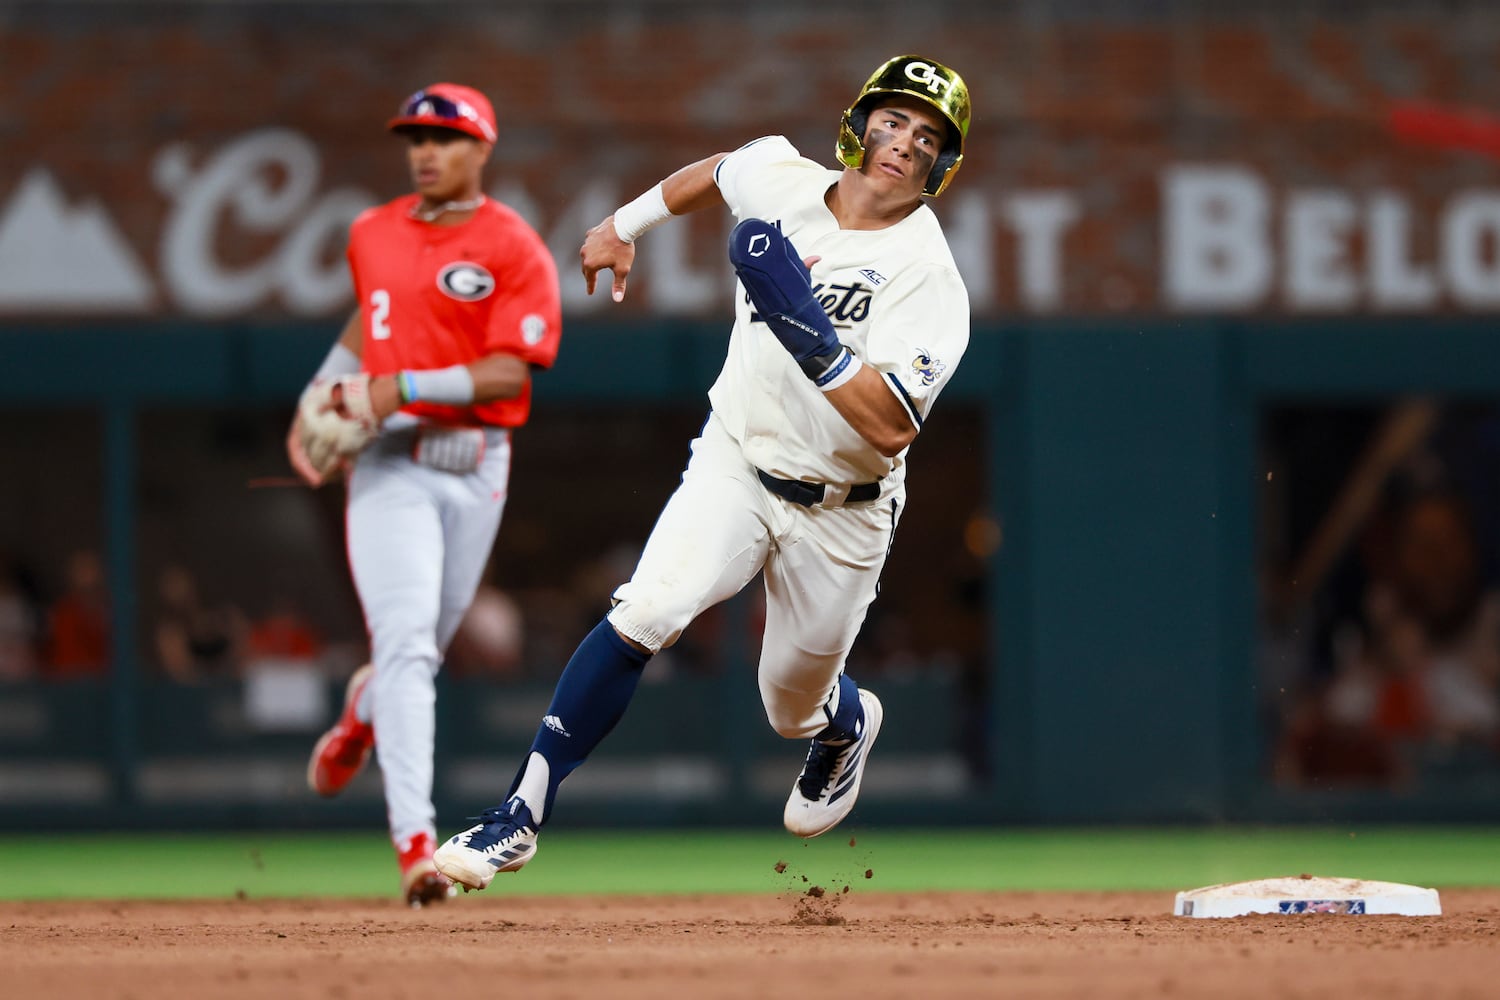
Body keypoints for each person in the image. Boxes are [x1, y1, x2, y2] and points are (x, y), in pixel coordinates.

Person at [434, 54, 972, 891]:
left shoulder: (928, 274)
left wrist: (812, 335)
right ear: (860, 124)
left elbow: (892, 426)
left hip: (845, 506)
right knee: (648, 609)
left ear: (941, 164)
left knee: (788, 706)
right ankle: (517, 817)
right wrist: (624, 225)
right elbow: (718, 171)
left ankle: (843, 721)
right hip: (739, 462)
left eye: (928, 136)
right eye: (894, 120)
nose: (905, 141)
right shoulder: (783, 181)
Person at [291, 82, 562, 907]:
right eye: (415, 138)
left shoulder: (515, 247)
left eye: (443, 138)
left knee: (422, 653)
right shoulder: (371, 231)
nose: (426, 151)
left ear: (482, 148)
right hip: (391, 465)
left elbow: (508, 374)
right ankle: (416, 846)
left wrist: (398, 385)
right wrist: (320, 396)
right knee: (409, 648)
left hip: (478, 464)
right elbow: (368, 322)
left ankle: (361, 714)